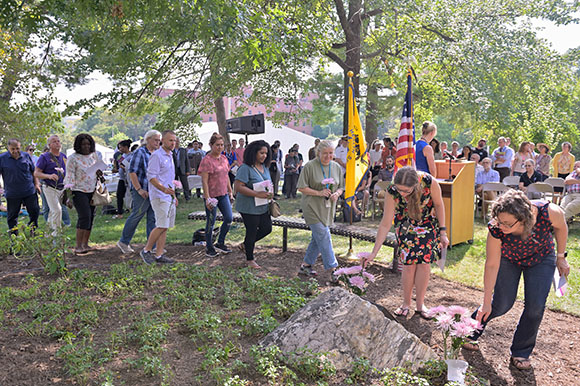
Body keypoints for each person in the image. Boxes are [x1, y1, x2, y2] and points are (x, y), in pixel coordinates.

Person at [464, 190, 569, 371]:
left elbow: (562, 227)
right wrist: (485, 301)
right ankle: (467, 330)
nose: (501, 226)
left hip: (541, 258)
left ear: (523, 219)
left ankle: (521, 351)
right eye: (499, 220)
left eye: (507, 223)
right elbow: (491, 265)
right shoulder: (496, 228)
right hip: (509, 259)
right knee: (501, 304)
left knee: (535, 307)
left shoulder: (549, 212)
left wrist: (561, 256)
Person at [361, 166, 449, 318]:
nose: (402, 193)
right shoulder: (392, 190)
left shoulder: (429, 182)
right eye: (399, 189)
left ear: (415, 185)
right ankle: (406, 303)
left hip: (427, 224)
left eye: (406, 191)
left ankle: (420, 304)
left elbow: (439, 205)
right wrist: (374, 252)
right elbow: (385, 223)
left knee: (424, 264)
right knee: (408, 265)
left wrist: (443, 232)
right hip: (405, 226)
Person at [297, 140, 345, 282]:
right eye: (325, 153)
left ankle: (306, 265)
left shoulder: (336, 167)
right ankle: (333, 269)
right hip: (311, 207)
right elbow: (301, 187)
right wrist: (319, 193)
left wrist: (337, 194)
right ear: (318, 152)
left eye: (331, 153)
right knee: (324, 235)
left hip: (328, 208)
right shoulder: (309, 166)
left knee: (317, 238)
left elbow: (341, 187)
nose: (328, 156)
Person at [117, 130, 161, 254]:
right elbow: (132, 172)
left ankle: (151, 246)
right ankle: (124, 242)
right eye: (155, 140)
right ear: (148, 140)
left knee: (153, 218)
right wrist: (139, 189)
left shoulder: (157, 153)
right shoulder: (140, 152)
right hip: (142, 189)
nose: (158, 142)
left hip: (154, 190)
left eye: (159, 140)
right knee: (137, 215)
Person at [140, 130, 178, 265]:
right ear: (163, 141)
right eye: (170, 140)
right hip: (159, 196)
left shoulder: (171, 155)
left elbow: (169, 178)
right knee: (161, 225)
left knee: (165, 226)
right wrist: (163, 189)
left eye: (174, 140)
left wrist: (173, 196)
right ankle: (146, 250)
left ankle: (159, 254)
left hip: (168, 196)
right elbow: (151, 177)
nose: (173, 143)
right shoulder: (157, 156)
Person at [234, 140, 273, 269]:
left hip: (263, 205)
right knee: (251, 231)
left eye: (266, 153)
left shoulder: (265, 168)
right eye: (261, 153)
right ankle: (250, 259)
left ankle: (245, 245)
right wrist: (256, 194)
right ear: (253, 152)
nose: (264, 156)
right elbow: (238, 187)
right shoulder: (245, 168)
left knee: (267, 228)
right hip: (248, 206)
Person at [63, 134, 102, 254]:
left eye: (88, 144)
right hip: (78, 190)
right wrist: (68, 196)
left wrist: (100, 173)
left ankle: (86, 244)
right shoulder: (73, 158)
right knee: (84, 216)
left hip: (92, 190)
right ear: (78, 145)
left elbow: (97, 171)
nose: (86, 146)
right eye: (84, 144)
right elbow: (69, 176)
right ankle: (78, 245)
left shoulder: (94, 156)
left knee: (90, 216)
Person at [198, 132, 234, 257]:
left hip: (223, 194)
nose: (220, 147)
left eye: (222, 145)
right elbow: (204, 181)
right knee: (211, 221)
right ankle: (209, 247)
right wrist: (207, 198)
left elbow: (226, 176)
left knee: (229, 218)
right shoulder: (206, 160)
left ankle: (220, 242)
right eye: (217, 145)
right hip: (212, 195)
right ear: (211, 145)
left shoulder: (224, 159)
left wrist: (230, 191)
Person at [0, 138, 41, 234]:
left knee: (35, 211)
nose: (15, 151)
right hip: (12, 193)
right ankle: (14, 238)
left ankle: (32, 230)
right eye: (12, 149)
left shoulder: (26, 156)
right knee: (12, 217)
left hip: (29, 191)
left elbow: (33, 171)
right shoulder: (2, 158)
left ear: (20, 147)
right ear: (8, 148)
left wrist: (37, 184)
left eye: (17, 148)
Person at [34, 135, 68, 234]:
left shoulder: (63, 156)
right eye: (54, 141)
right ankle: (56, 237)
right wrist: (49, 176)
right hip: (49, 187)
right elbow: (36, 173)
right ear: (49, 145)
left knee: (52, 212)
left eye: (58, 141)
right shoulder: (44, 157)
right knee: (57, 210)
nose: (57, 143)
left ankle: (47, 235)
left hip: (61, 187)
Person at [112, 139, 132, 219]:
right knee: (119, 195)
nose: (119, 149)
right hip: (121, 178)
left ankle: (131, 209)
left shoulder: (132, 155)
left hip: (129, 178)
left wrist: (124, 168)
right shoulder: (121, 156)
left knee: (130, 195)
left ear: (125, 147)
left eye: (121, 147)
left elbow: (129, 166)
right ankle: (120, 212)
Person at [173, 137, 192, 201]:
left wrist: (188, 170)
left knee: (185, 183)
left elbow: (187, 161)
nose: (177, 142)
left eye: (178, 141)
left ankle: (187, 196)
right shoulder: (171, 150)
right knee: (174, 183)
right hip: (174, 170)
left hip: (182, 169)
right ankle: (174, 196)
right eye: (176, 141)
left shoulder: (183, 150)